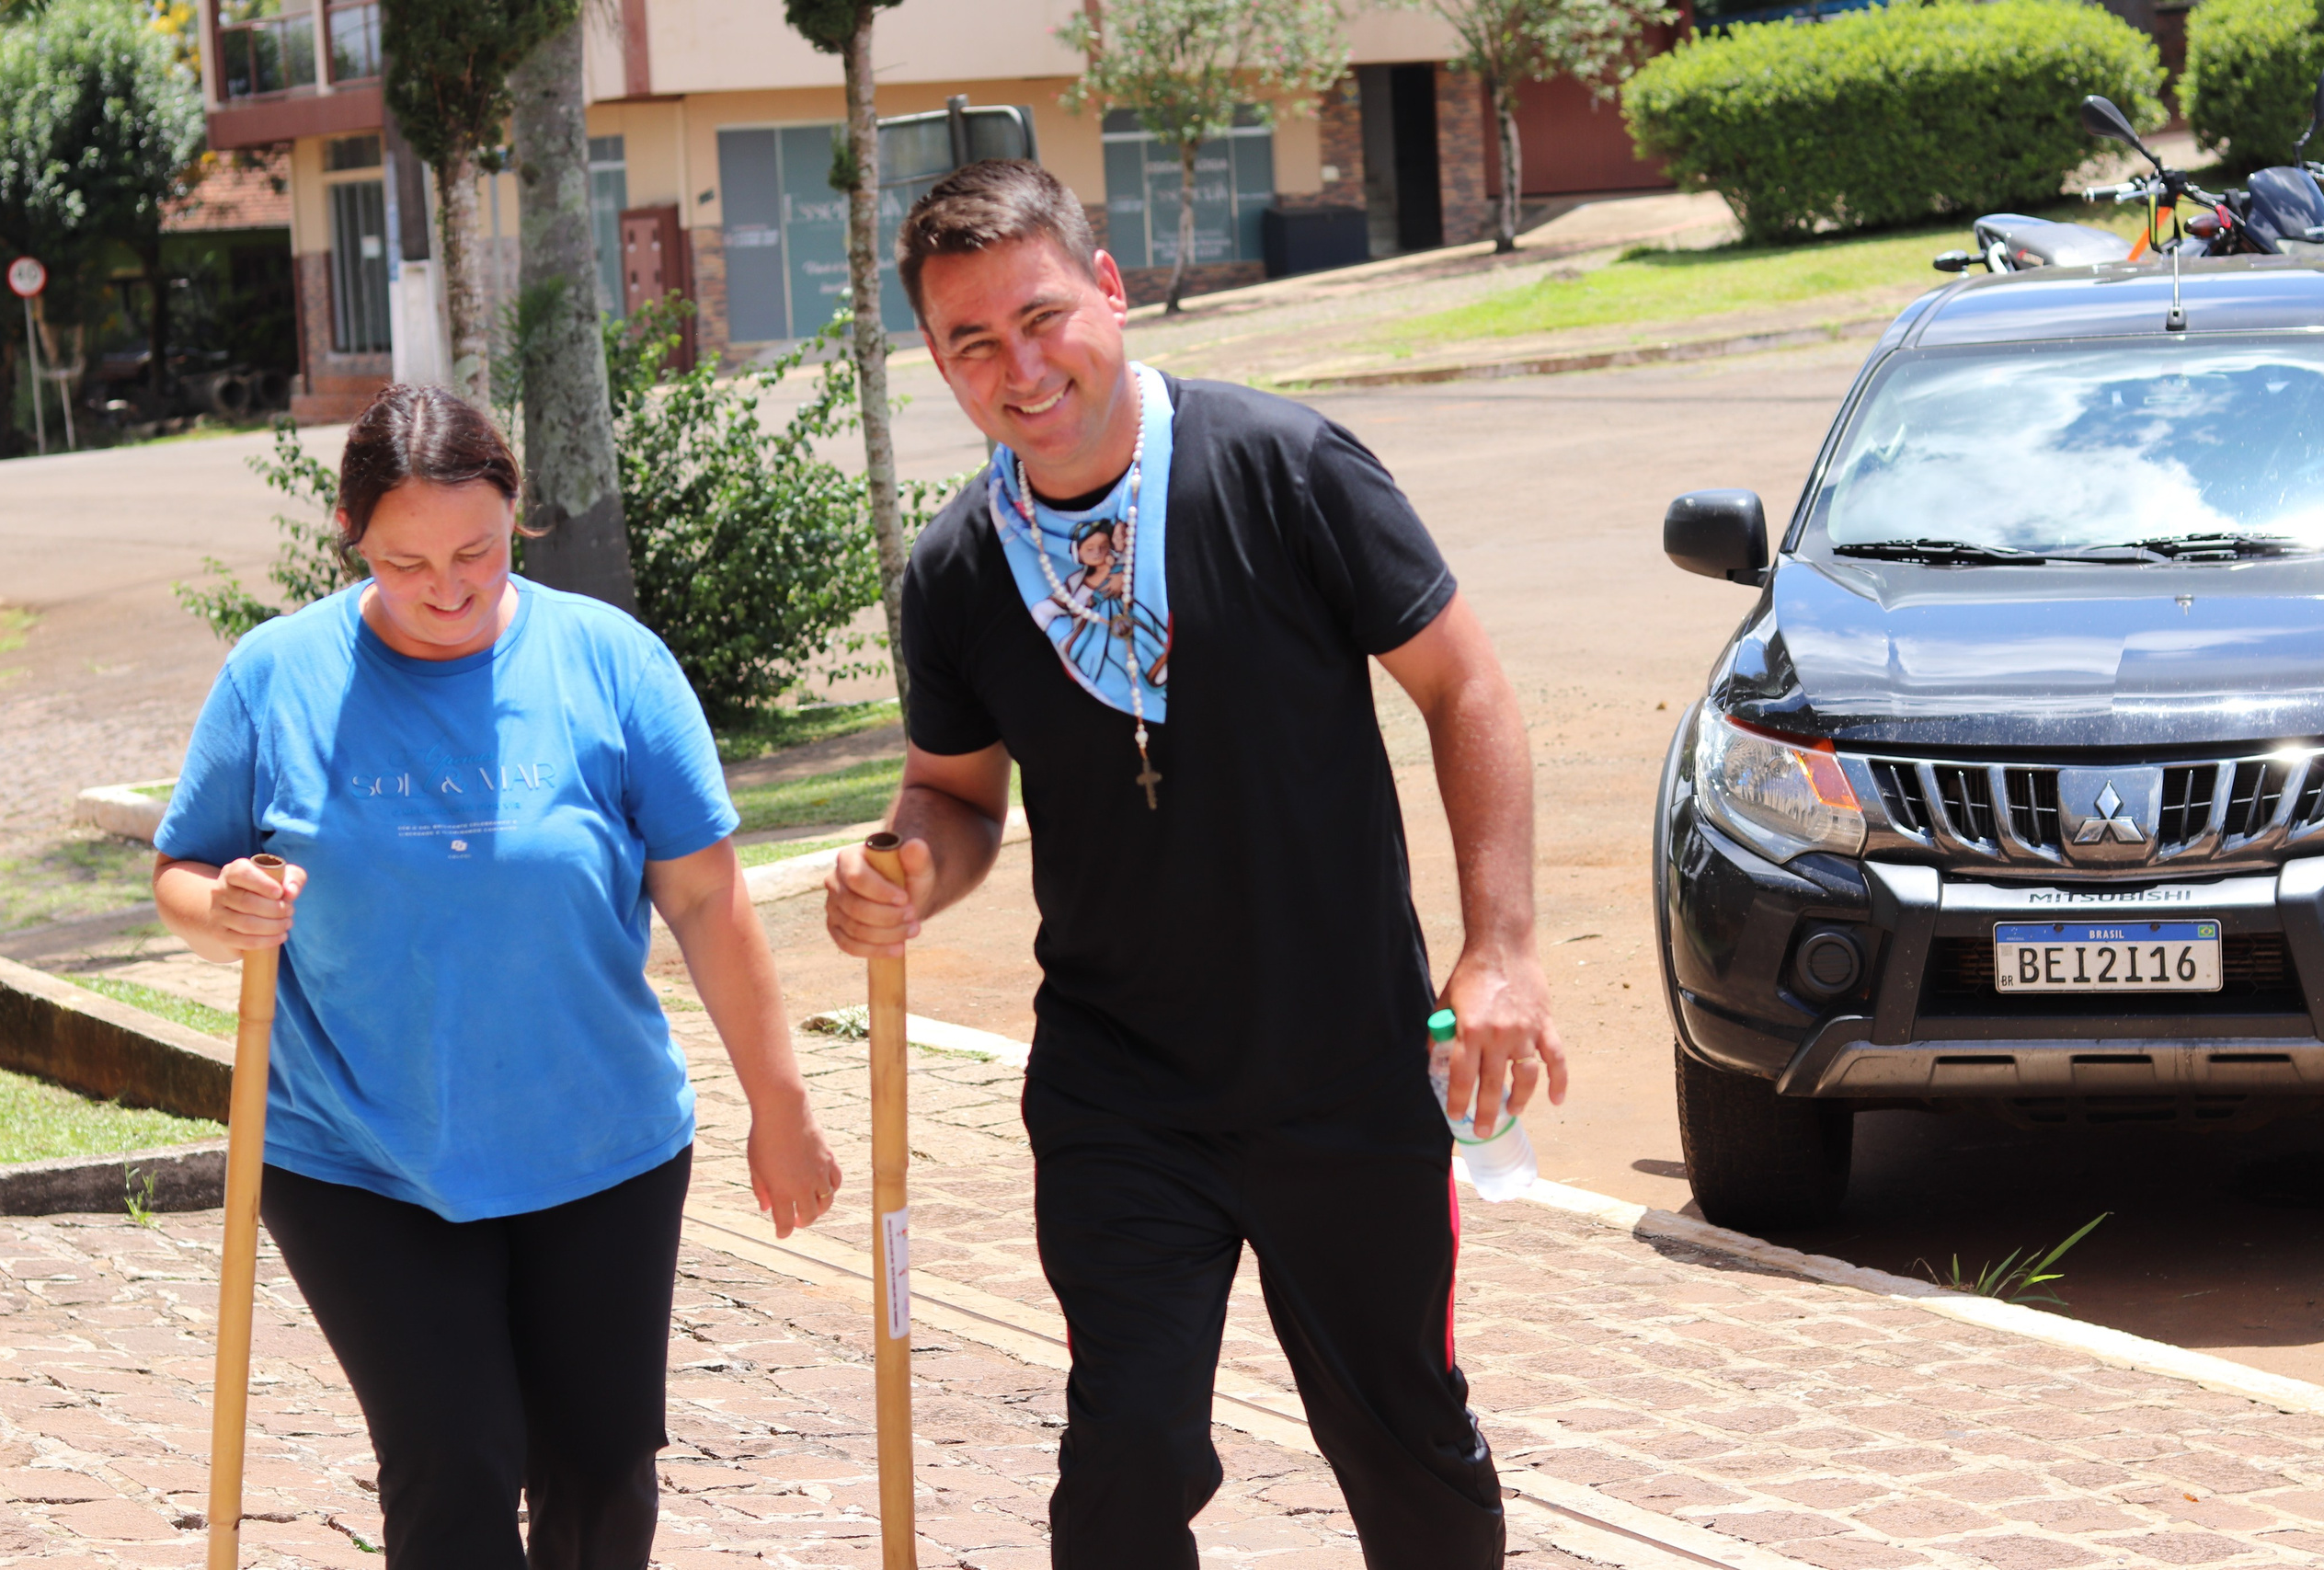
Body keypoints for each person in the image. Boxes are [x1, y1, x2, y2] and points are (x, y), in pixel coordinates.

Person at [823, 161, 1563, 1570]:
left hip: (1343, 1064)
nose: (1019, 366)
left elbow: (1466, 687)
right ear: (937, 360)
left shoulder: (1282, 469)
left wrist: (1502, 947)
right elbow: (953, 794)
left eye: (1042, 316)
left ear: (1107, 289)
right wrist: (907, 868)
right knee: (1132, 1440)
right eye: (972, 341)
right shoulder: (959, 570)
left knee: (1399, 1431)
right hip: (1121, 1084)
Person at [153, 385, 841, 1568]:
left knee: (602, 1471)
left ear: (515, 513)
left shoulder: (610, 663)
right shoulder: (277, 677)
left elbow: (706, 899)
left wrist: (781, 1108)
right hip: (355, 1152)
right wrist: (221, 908)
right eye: (404, 561)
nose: (448, 587)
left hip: (598, 1142)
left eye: (474, 550)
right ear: (350, 536)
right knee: (456, 1462)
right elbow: (183, 867)